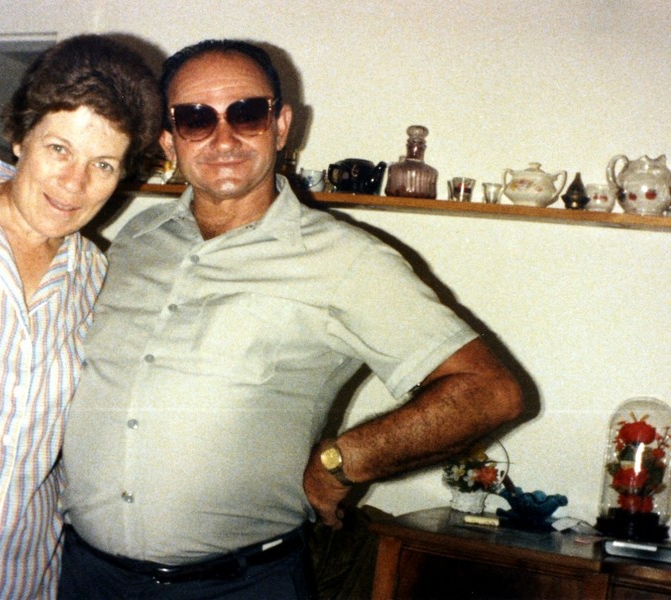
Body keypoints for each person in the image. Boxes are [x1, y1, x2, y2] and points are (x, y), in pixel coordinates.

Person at [59, 39, 523, 599]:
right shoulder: (136, 239)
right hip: (81, 576)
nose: (223, 138)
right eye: (196, 119)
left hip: (235, 588)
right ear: (168, 140)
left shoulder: (346, 260)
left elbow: (489, 391)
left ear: (281, 127)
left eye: (246, 114)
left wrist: (343, 461)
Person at [0, 34, 163, 599]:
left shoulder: (97, 280)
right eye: (59, 148)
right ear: (19, 137)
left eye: (103, 164)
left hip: (22, 582)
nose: (75, 184)